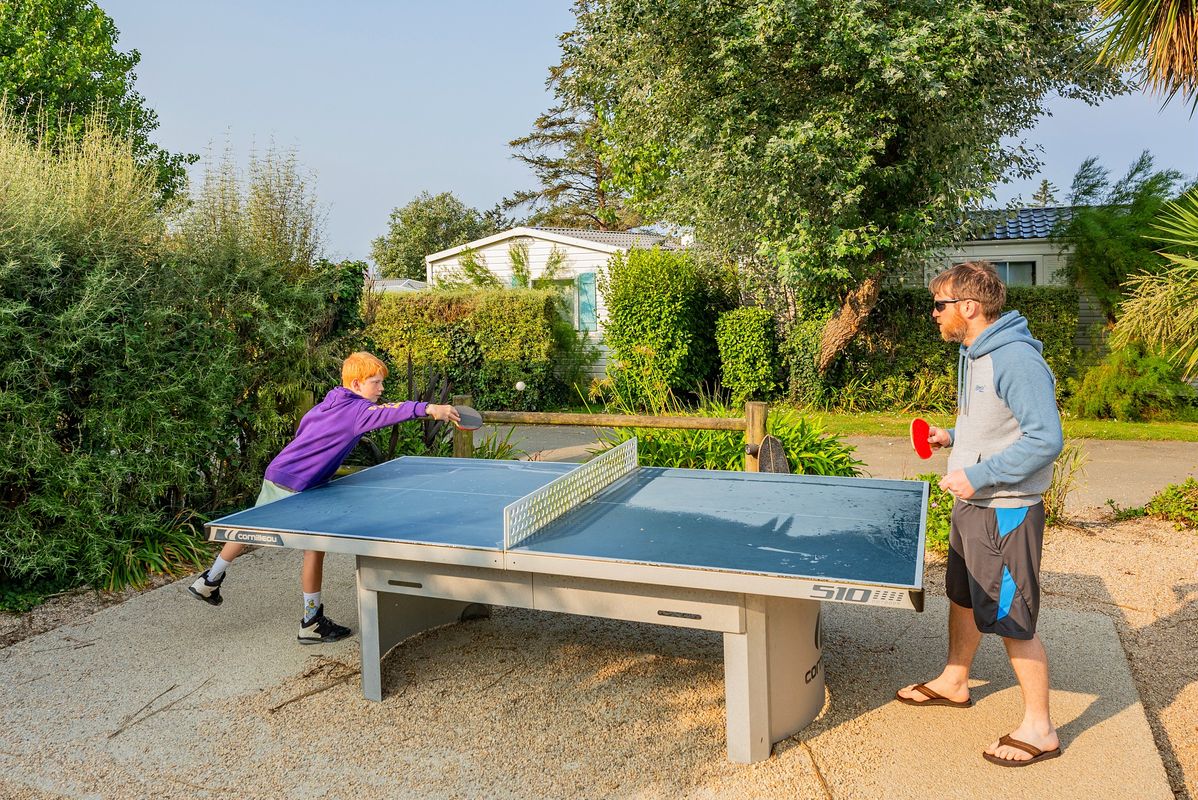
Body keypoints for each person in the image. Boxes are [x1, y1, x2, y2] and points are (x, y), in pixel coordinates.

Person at [895, 261, 1064, 767]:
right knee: (964, 596)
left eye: (941, 305)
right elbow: (997, 424)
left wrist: (979, 474)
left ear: (968, 308)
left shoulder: (1015, 359)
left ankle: (1041, 727)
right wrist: (954, 438)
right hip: (972, 506)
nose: (934, 314)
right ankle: (955, 679)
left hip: (1005, 511)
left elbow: (1045, 440)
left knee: (1013, 617)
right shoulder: (974, 353)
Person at [189, 351, 460, 643]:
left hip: (281, 473)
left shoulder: (329, 403)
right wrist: (431, 408)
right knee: (313, 548)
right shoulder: (357, 412)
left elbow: (306, 431)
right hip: (300, 483)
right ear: (356, 384)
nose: (381, 389)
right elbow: (390, 412)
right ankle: (311, 623)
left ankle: (210, 580)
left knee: (252, 530)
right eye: (376, 382)